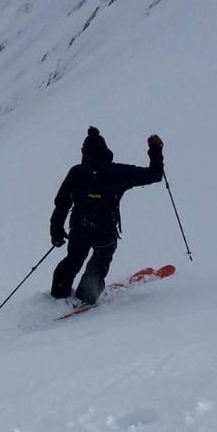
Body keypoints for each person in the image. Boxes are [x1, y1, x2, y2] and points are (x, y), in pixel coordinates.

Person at [50, 126, 164, 305]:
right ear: (106, 151)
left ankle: (58, 295)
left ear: (84, 152)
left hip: (79, 229)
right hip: (105, 232)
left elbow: (62, 203)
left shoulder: (77, 173)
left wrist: (56, 230)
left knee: (73, 259)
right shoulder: (118, 172)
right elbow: (155, 175)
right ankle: (86, 296)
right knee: (98, 263)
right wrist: (155, 150)